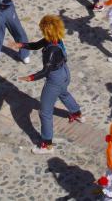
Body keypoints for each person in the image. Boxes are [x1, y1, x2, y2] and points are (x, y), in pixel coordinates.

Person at [11, 14, 84, 155]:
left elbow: (45, 71)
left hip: (54, 79)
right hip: (64, 73)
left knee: (45, 112)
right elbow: (37, 45)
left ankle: (46, 144)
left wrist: (31, 77)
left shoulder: (51, 50)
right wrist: (22, 45)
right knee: (63, 93)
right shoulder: (55, 40)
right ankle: (77, 114)